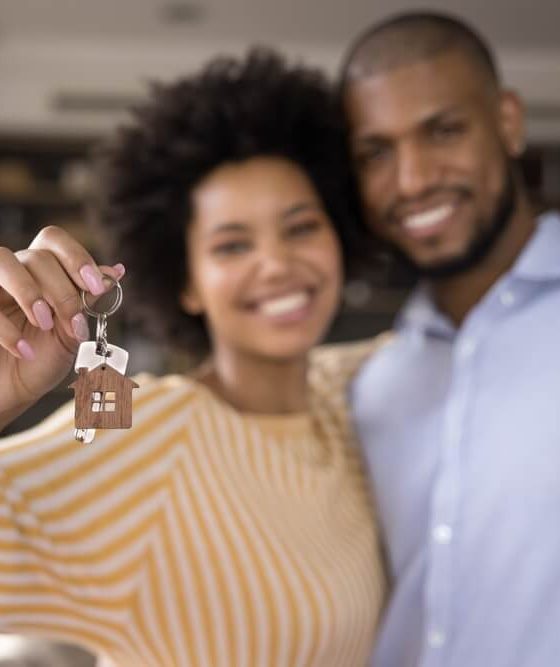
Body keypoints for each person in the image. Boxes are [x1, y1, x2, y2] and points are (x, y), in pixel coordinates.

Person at [0, 49, 386, 666]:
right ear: (186, 282)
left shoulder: (348, 394)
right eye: (233, 244)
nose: (277, 264)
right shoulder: (148, 436)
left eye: (301, 227)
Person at [339, 10, 560, 667]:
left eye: (444, 130)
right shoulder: (370, 384)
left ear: (509, 122)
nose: (412, 180)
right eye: (376, 152)